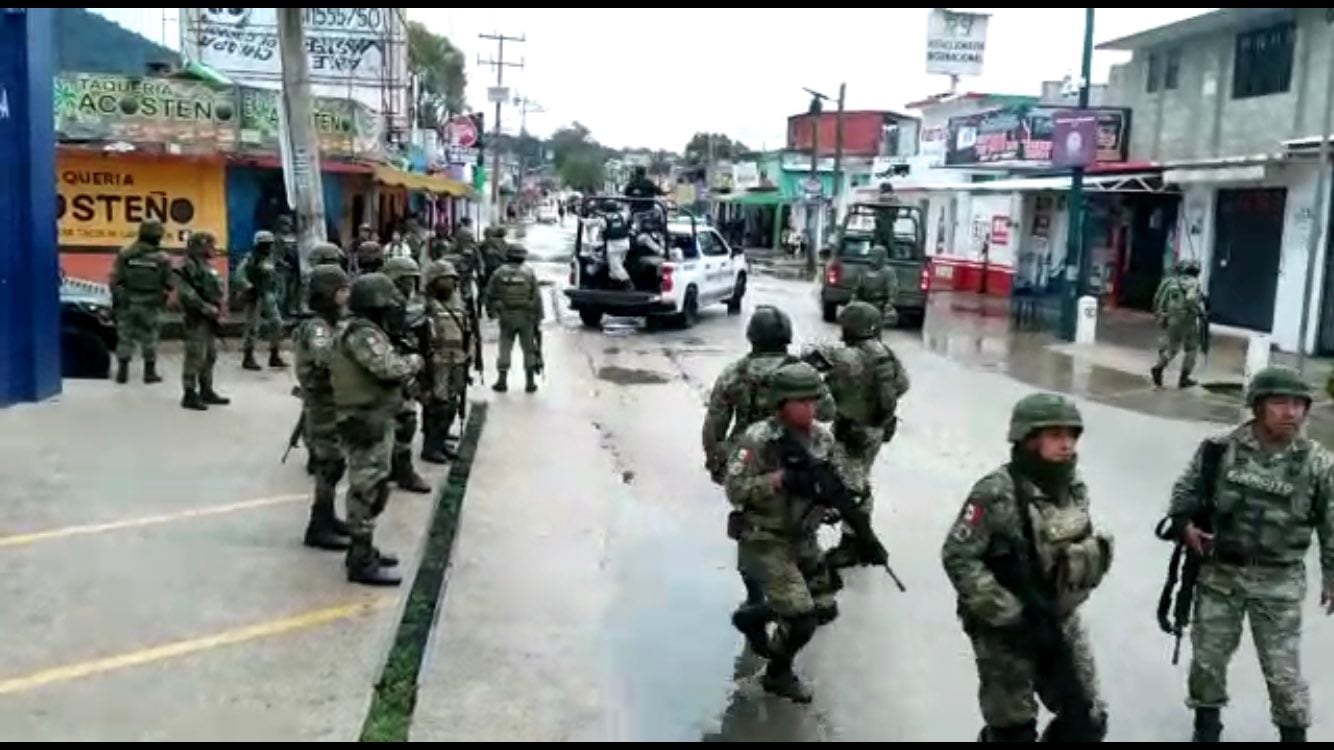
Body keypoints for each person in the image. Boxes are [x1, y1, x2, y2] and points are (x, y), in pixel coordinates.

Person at [1164, 366, 1334, 743]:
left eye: (1299, 404)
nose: (1291, 412)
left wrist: (1331, 575)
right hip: (1220, 574)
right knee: (1208, 660)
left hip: (1279, 582)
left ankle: (1293, 734)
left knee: (1283, 671)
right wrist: (1184, 525)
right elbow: (1184, 493)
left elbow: (1331, 522)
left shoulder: (1317, 462)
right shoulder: (1219, 450)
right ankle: (1206, 727)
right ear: (1257, 407)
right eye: (1279, 403)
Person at [941, 393, 1112, 742]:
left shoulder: (1073, 487)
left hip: (1059, 619)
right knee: (1012, 731)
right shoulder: (995, 493)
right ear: (1028, 438)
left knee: (1086, 718)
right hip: (1004, 629)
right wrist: (1008, 611)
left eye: (1071, 436)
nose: (1066, 445)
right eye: (1055, 435)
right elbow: (958, 554)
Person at [725, 362, 863, 703]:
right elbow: (735, 489)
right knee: (801, 618)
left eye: (813, 400)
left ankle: (756, 616)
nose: (810, 408)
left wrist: (840, 502)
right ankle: (778, 672)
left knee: (825, 608)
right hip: (764, 539)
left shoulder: (822, 439)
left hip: (803, 539)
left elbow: (838, 479)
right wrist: (777, 480)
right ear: (782, 403)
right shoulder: (758, 440)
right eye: (801, 401)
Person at [330, 273, 423, 586]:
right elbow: (388, 368)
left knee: (375, 486)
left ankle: (363, 549)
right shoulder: (362, 333)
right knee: (366, 489)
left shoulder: (362, 329)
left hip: (373, 416)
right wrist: (413, 361)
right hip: (364, 419)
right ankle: (360, 559)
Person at [812, 301, 910, 568]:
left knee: (851, 487)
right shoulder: (885, 354)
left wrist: (849, 400)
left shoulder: (848, 356)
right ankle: (856, 538)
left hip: (852, 430)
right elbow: (902, 384)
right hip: (876, 429)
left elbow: (811, 357)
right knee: (858, 479)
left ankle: (854, 544)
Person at [294, 265, 353, 552]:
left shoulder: (332, 322)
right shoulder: (317, 326)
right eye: (342, 290)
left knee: (335, 461)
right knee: (329, 463)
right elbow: (325, 358)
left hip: (333, 401)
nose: (347, 294)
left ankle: (327, 517)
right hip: (322, 403)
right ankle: (318, 526)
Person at [382, 257, 432, 494]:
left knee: (403, 418)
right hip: (388, 365)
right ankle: (399, 470)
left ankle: (399, 468)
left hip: (400, 364)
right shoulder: (386, 303)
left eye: (413, 280)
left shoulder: (401, 302)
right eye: (406, 280)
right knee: (400, 419)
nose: (410, 285)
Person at [420, 260, 473, 464]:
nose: (449, 283)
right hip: (436, 361)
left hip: (457, 359)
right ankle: (430, 447)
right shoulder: (425, 304)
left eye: (452, 279)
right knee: (436, 405)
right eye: (445, 279)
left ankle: (440, 442)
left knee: (451, 403)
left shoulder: (459, 303)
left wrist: (470, 354)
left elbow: (467, 331)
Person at [110, 219, 172, 384]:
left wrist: (117, 299)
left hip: (128, 301)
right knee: (150, 337)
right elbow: (169, 283)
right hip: (151, 303)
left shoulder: (125, 253)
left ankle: (122, 372)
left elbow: (115, 279)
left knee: (124, 336)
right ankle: (149, 373)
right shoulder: (162, 258)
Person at [172, 231, 229, 410]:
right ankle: (189, 394)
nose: (213, 249)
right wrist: (205, 307)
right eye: (209, 246)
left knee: (210, 355)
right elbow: (186, 292)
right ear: (199, 247)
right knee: (195, 355)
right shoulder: (185, 266)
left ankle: (206, 390)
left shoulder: (205, 265)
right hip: (196, 316)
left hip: (210, 317)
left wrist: (220, 309)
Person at [486, 243, 543, 394]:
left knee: (505, 347)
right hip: (526, 316)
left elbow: (490, 293)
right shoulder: (529, 273)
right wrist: (538, 318)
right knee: (529, 349)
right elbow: (537, 297)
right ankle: (530, 382)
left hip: (507, 316)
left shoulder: (499, 273)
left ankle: (502, 381)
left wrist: (491, 311)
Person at [232, 230, 287, 370]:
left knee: (277, 324)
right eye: (264, 244)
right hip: (254, 295)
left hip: (268, 294)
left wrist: (278, 291)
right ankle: (248, 357)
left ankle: (274, 354)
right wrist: (248, 286)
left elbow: (275, 276)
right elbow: (239, 275)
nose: (267, 247)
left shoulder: (271, 258)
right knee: (252, 327)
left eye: (269, 244)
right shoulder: (251, 258)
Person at [1151, 258, 1206, 389]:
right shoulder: (1193, 283)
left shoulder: (1171, 282)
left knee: (1172, 345)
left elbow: (1158, 299)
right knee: (1191, 348)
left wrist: (1161, 315)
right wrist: (1199, 311)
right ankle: (1181, 377)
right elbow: (1191, 299)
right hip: (1187, 319)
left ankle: (1160, 366)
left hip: (1172, 317)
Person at [852, 245, 900, 328]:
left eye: (876, 256)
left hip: (879, 304)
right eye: (872, 255)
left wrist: (890, 302)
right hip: (864, 302)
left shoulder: (888, 272)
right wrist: (853, 299)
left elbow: (893, 288)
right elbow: (857, 286)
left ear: (882, 257)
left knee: (876, 325)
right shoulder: (865, 270)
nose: (873, 258)